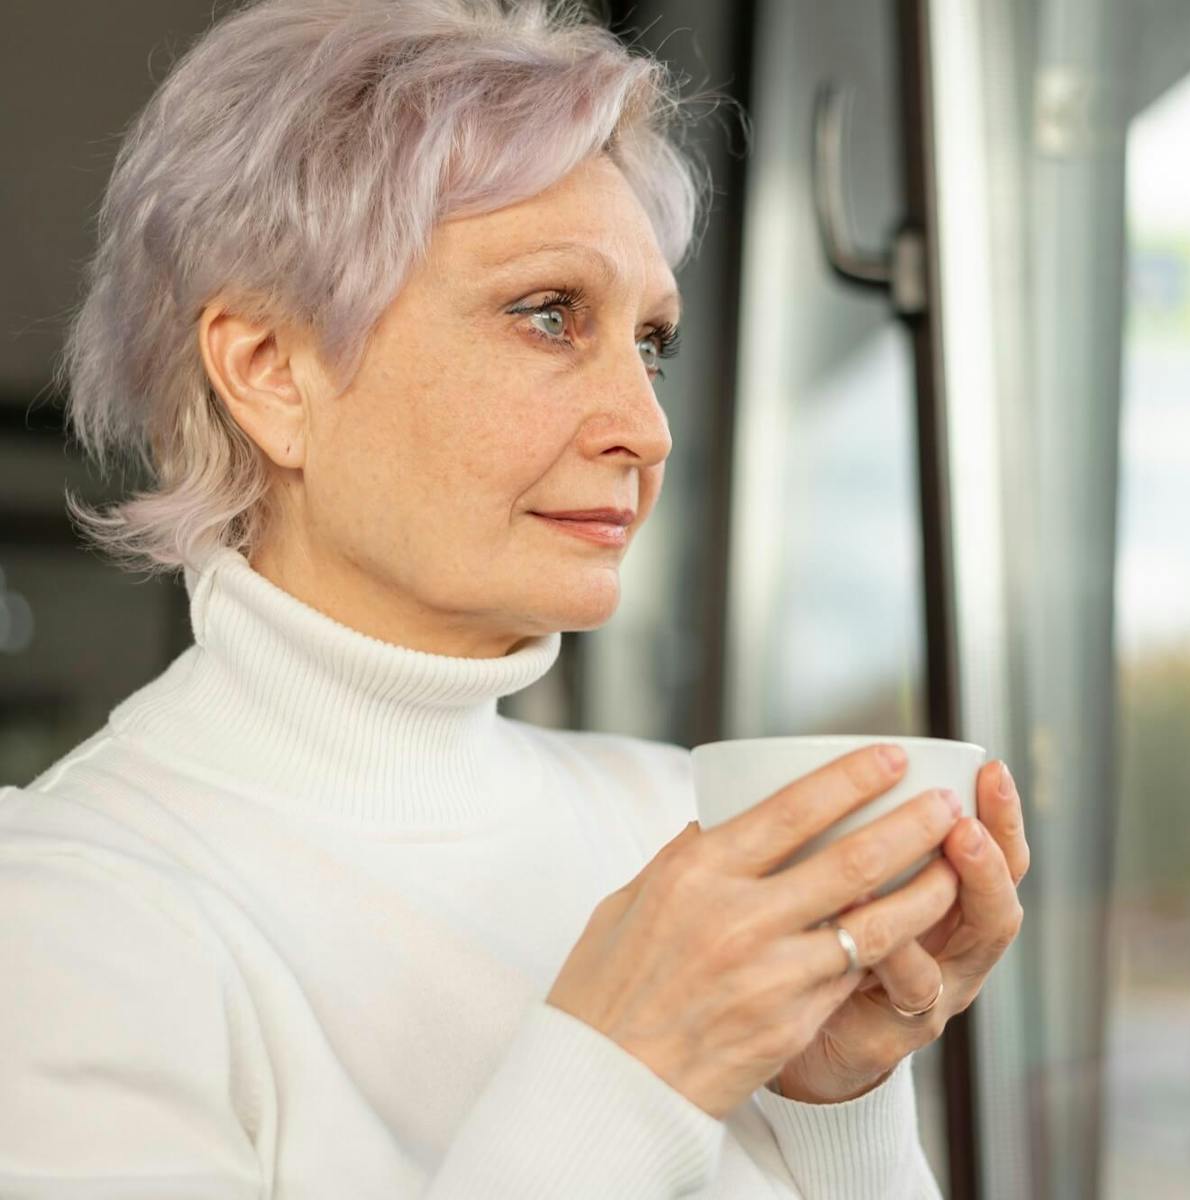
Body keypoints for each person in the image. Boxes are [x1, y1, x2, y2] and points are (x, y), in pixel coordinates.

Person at [0, 0, 1030, 1196]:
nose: (645, 429)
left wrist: (837, 1104)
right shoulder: (66, 915)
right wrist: (628, 1067)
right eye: (549, 316)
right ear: (270, 373)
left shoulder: (679, 829)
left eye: (651, 342)